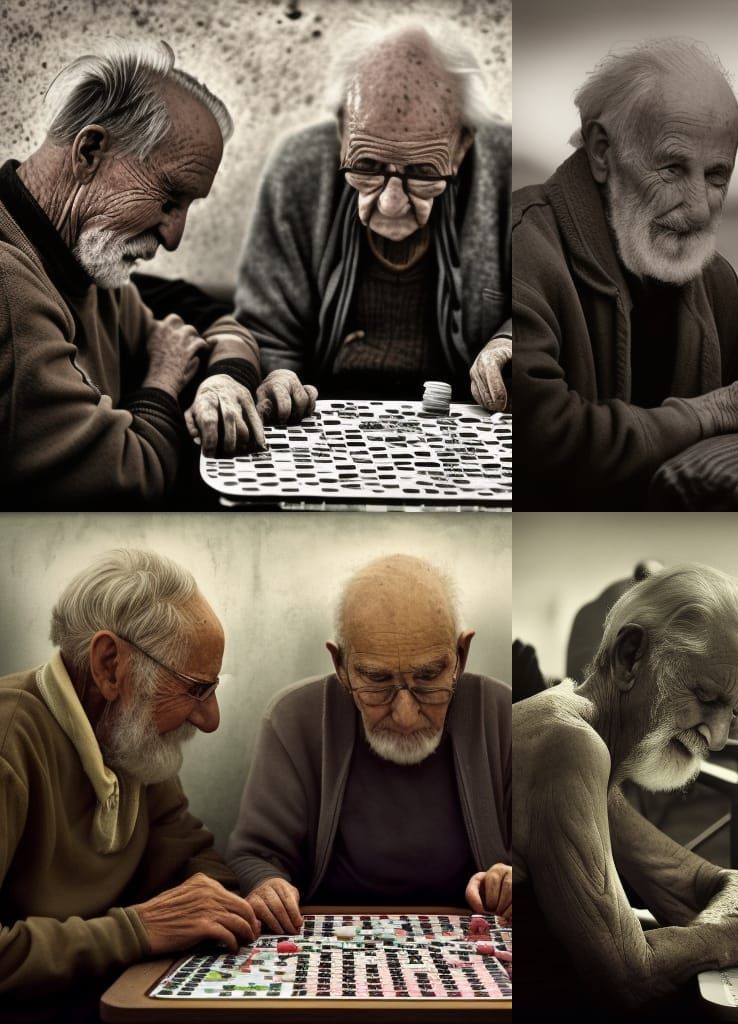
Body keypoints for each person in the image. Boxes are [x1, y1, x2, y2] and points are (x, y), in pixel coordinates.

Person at [511, 38, 738, 510]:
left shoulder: (719, 283)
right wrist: (722, 408)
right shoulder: (521, 247)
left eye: (716, 176)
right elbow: (541, 440)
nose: (699, 205)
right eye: (672, 168)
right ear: (603, 150)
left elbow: (727, 449)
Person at [0, 43, 316, 509]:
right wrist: (164, 377)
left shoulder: (85, 265)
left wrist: (225, 382)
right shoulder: (10, 283)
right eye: (169, 200)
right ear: (89, 152)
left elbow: (209, 332)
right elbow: (130, 476)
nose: (173, 238)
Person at [513, 565, 738, 1012]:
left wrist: (736, 916)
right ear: (631, 656)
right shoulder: (567, 742)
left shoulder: (586, 740)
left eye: (733, 713)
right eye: (706, 698)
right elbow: (628, 974)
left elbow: (693, 885)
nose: (719, 738)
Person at [0, 549, 259, 1005]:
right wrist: (137, 930)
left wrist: (218, 899)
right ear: (109, 666)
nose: (210, 718)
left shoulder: (128, 735)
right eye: (196, 688)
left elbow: (196, 865)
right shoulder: (9, 741)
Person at [233, 23, 511, 411]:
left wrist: (509, 342)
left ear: (463, 143)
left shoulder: (511, 167)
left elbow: (546, 308)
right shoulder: (297, 167)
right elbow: (266, 329)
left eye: (423, 172)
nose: (391, 204)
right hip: (326, 414)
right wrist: (278, 379)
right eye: (366, 165)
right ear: (343, 128)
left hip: (460, 422)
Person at [227, 555, 511, 931]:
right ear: (340, 665)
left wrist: (509, 880)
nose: (406, 714)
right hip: (332, 944)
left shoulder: (502, 715)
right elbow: (254, 855)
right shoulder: (294, 719)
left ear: (460, 656)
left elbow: (541, 863)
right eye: (377, 680)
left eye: (429, 677)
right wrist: (268, 886)